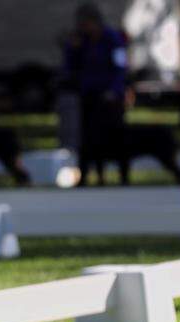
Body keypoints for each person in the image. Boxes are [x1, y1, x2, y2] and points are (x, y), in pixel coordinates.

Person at [63, 3, 128, 186]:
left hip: (110, 98)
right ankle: (88, 175)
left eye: (87, 24)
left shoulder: (112, 38)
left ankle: (122, 175)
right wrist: (72, 48)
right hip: (89, 95)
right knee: (88, 137)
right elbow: (70, 67)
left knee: (114, 136)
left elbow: (121, 67)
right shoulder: (80, 41)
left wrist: (115, 90)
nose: (84, 28)